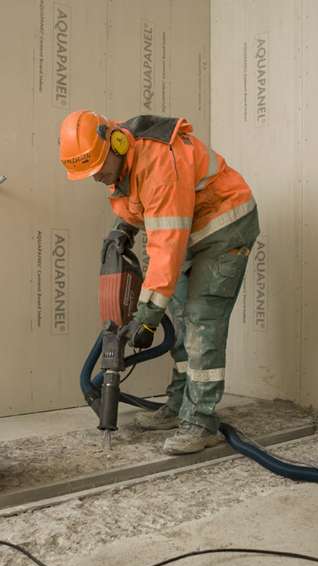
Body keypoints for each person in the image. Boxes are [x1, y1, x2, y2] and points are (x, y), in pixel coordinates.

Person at [59, 110, 259, 454]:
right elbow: (142, 203)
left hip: (224, 229)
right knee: (180, 322)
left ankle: (201, 422)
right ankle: (179, 405)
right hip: (188, 234)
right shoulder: (125, 160)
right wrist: (124, 227)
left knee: (201, 322)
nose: (97, 179)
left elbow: (166, 243)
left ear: (116, 143)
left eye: (99, 169)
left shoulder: (160, 162)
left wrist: (147, 316)